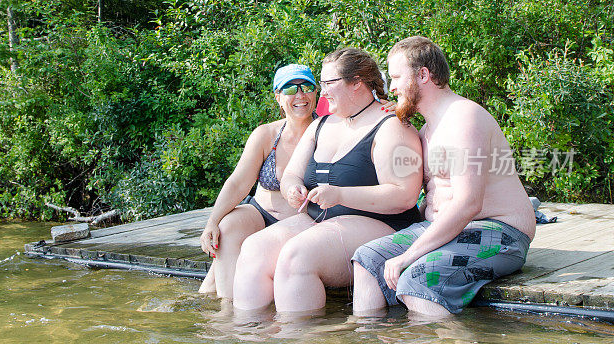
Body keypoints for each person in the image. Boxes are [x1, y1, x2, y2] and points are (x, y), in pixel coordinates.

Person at [352, 36, 536, 317]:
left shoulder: (464, 118)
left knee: (416, 278)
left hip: (499, 232)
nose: (392, 88)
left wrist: (408, 256)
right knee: (368, 258)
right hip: (447, 230)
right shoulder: (426, 130)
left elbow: (468, 203)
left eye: (397, 77)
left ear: (423, 75)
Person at [231, 48, 423, 313]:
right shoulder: (321, 125)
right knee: (254, 248)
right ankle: (252, 340)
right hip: (317, 219)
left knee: (297, 255)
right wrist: (292, 189)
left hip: (383, 225)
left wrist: (341, 195)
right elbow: (291, 175)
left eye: (327, 84)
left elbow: (404, 195)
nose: (321, 93)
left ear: (356, 83)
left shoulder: (392, 126)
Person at [199, 64, 318, 299]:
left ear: (316, 92)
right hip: (260, 213)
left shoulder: (329, 130)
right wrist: (212, 222)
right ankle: (228, 305)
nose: (300, 95)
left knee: (210, 284)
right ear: (278, 97)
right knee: (227, 227)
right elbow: (238, 182)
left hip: (303, 221)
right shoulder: (266, 134)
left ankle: (232, 306)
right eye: (290, 89)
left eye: (306, 87)